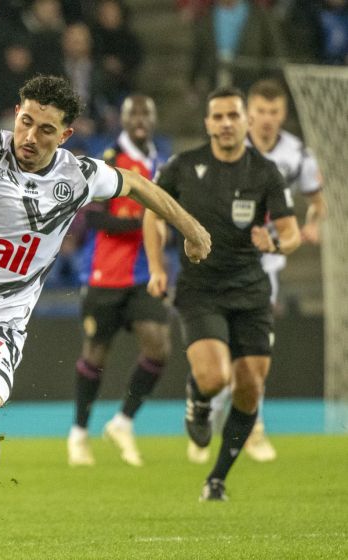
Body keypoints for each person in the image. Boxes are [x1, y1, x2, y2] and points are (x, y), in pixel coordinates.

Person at [0, 74, 210, 544]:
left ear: (65, 135)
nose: (30, 137)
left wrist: (192, 229)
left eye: (45, 130)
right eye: (26, 122)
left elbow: (138, 185)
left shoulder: (77, 175)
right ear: (15, 115)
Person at [144, 86, 300, 501]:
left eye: (234, 115)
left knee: (250, 387)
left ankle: (217, 479)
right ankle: (198, 398)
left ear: (245, 120)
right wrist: (158, 268)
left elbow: (292, 232)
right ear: (208, 123)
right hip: (200, 289)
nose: (226, 123)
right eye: (219, 116)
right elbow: (152, 215)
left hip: (250, 290)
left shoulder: (265, 172)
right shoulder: (183, 166)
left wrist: (276, 244)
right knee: (216, 378)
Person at [190, 79, 326, 464]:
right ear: (249, 113)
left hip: (264, 266)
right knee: (219, 350)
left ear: (283, 114)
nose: (267, 119)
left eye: (274, 112)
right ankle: (210, 418)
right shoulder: (228, 146)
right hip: (221, 263)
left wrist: (311, 224)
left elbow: (317, 201)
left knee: (250, 351)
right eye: (261, 111)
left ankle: (253, 426)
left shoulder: (297, 154)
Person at [67, 94, 169, 468]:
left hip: (144, 274)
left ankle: (122, 421)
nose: (140, 119)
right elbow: (93, 218)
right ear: (123, 120)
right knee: (96, 355)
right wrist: (146, 223)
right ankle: (78, 432)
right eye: (133, 113)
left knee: (158, 346)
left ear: (153, 119)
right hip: (105, 274)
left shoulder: (160, 163)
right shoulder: (109, 162)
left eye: (146, 112)